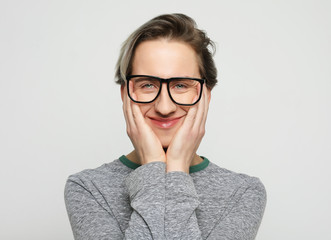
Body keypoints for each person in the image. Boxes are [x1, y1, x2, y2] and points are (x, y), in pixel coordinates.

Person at [64, 13, 266, 240]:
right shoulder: (88, 188)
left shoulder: (243, 193)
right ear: (125, 94)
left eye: (180, 85)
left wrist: (177, 168)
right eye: (148, 85)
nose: (164, 106)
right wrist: (154, 169)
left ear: (206, 96)